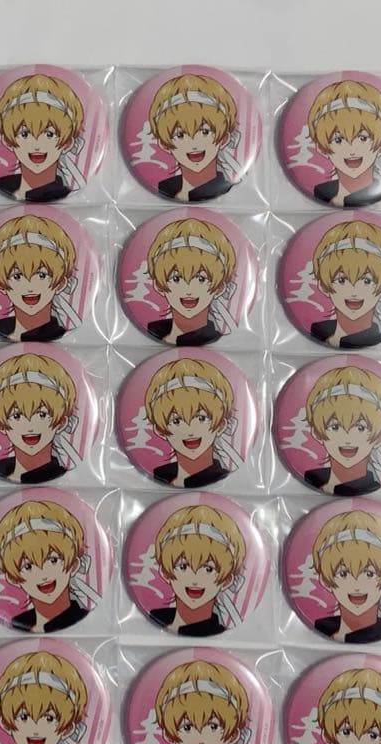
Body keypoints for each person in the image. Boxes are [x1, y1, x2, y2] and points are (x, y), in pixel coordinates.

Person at [0, 651, 88, 744]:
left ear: (67, 729)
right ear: (5, 723)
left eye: (49, 718)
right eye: (24, 717)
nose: (36, 729)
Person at [154, 659, 250, 744]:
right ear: (169, 736)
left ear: (233, 735)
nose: (201, 739)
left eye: (213, 726)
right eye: (187, 727)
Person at [0, 499, 89, 632]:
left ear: (74, 565)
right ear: (12, 578)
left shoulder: (80, 617)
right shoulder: (19, 621)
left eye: (53, 560)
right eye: (28, 566)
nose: (43, 575)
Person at [149, 505, 246, 636]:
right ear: (165, 573)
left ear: (227, 581)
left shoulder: (219, 631)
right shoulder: (152, 618)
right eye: (183, 567)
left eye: (208, 569)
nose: (195, 580)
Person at [310, 510, 381, 643]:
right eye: (343, 574)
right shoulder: (320, 627)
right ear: (325, 581)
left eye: (369, 574)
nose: (357, 586)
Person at [303, 366, 381, 496]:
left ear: (379, 438)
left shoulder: (374, 486)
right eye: (335, 427)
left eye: (360, 428)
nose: (347, 439)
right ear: (317, 434)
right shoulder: (311, 478)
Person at [0, 352, 76, 483]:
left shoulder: (61, 473)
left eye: (42, 415)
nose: (30, 427)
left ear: (61, 422)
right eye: (17, 416)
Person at [309, 220, 381, 348]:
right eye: (342, 280)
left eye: (367, 281)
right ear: (324, 287)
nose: (354, 291)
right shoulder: (316, 332)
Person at [145, 357, 235, 488]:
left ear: (221, 425)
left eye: (201, 418)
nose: (190, 430)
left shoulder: (218, 475)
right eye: (176, 421)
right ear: (159, 430)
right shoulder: (160, 474)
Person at [0, 74, 84, 202]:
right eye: (24, 134)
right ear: (7, 141)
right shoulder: (2, 185)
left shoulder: (64, 191)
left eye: (49, 134)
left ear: (67, 143)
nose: (37, 145)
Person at [145, 218, 236, 346]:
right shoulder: (152, 329)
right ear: (158, 286)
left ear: (220, 288)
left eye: (201, 279)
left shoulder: (217, 337)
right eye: (176, 279)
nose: (188, 290)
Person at [0, 214, 76, 342]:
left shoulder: (58, 330)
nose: (30, 287)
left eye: (42, 275)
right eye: (17, 276)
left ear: (61, 283)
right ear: (0, 284)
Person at [306, 80, 381, 208]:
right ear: (322, 149)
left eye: (363, 138)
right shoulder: (320, 192)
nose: (352, 150)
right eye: (338, 140)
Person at [148, 74, 237, 202]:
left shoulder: (226, 189)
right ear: (164, 145)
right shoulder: (163, 187)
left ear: (224, 139)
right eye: (180, 135)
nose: (194, 145)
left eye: (205, 132)